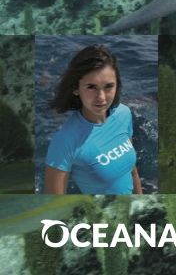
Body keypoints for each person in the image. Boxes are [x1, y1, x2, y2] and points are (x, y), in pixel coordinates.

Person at [43, 43, 142, 195]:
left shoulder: (124, 114)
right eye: (91, 87)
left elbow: (132, 171)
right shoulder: (64, 141)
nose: (101, 97)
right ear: (76, 88)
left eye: (109, 86)